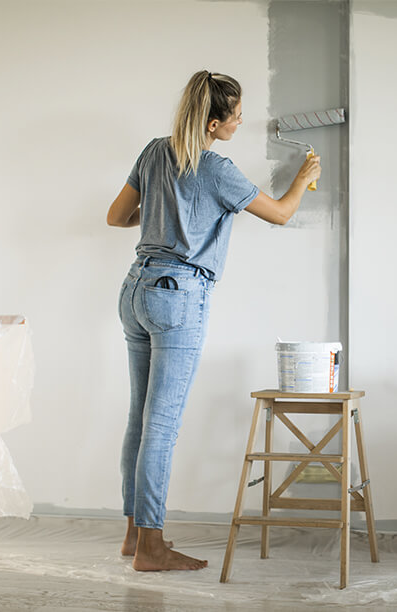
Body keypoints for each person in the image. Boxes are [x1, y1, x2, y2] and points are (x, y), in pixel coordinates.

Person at [106, 70, 320, 571]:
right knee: (160, 426)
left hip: (136, 287)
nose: (241, 121)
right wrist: (302, 181)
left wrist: (164, 211)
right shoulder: (218, 169)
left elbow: (117, 217)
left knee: (140, 419)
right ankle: (152, 550)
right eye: (237, 115)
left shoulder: (154, 150)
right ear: (214, 121)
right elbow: (283, 214)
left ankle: (133, 534)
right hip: (179, 294)